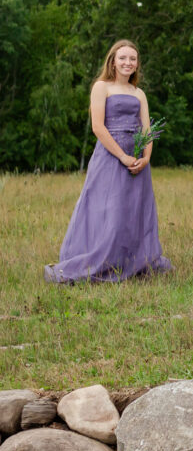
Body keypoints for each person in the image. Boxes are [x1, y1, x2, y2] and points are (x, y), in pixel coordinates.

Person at [44, 40, 173, 283]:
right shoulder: (101, 87)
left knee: (133, 208)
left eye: (132, 59)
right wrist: (122, 156)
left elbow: (147, 129)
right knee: (109, 209)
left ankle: (131, 260)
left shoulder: (139, 94)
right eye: (123, 58)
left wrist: (145, 158)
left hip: (136, 158)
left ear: (137, 64)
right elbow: (98, 127)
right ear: (112, 60)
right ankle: (103, 260)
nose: (128, 63)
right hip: (110, 155)